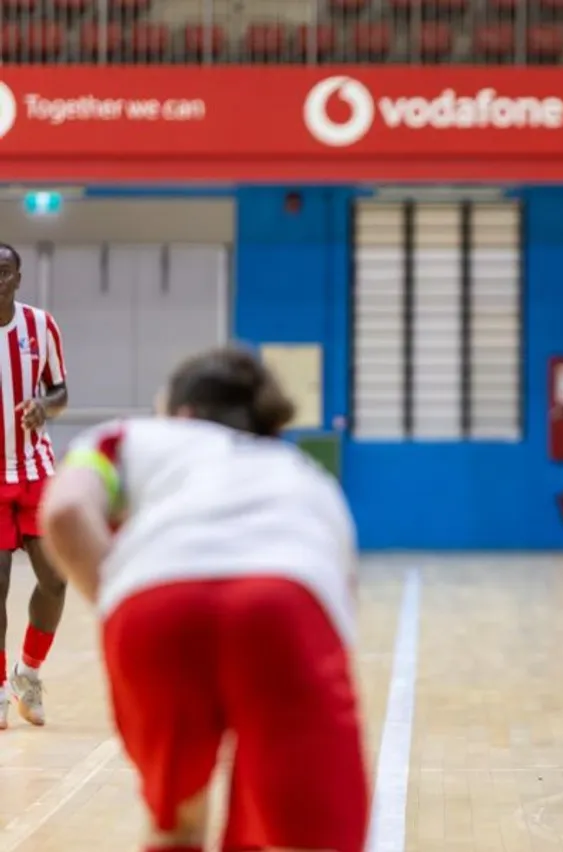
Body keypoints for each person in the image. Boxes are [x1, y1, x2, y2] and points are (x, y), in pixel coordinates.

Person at [37, 346, 368, 852]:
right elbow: (342, 594)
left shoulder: (125, 437)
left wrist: (119, 596)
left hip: (154, 604)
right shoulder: (304, 473)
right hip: (286, 599)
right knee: (308, 836)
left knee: (177, 825)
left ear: (182, 411)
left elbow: (64, 512)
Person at [0, 243, 69, 731]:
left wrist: (45, 407)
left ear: (18, 279)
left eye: (5, 272)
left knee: (55, 578)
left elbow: (60, 390)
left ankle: (28, 673)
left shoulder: (41, 326)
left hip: (34, 469)